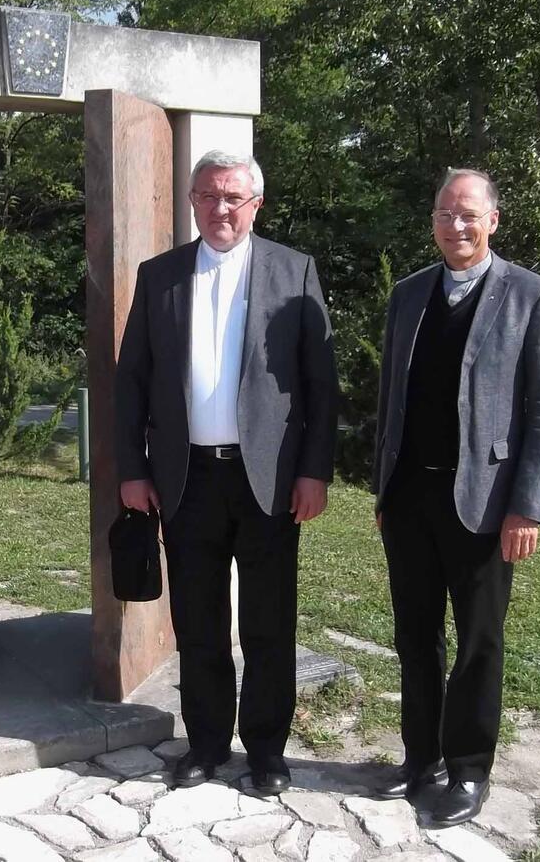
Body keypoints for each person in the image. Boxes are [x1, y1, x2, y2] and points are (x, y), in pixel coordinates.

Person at [115, 149, 338, 795]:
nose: (220, 209)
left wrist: (314, 471)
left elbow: (321, 388)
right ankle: (208, 744)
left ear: (255, 203)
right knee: (199, 621)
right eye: (209, 196)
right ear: (192, 201)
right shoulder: (159, 277)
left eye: (233, 197)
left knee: (269, 623)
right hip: (186, 480)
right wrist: (133, 467)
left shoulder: (294, 272)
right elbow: (131, 381)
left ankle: (267, 751)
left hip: (267, 482)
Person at [372, 168, 540, 824]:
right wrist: (382, 486)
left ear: (492, 220)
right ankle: (419, 757)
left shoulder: (530, 296)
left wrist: (529, 505)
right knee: (415, 636)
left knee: (478, 640)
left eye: (468, 214)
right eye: (444, 213)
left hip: (485, 503)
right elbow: (390, 400)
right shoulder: (409, 296)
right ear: (432, 220)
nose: (455, 225)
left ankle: (467, 770)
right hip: (409, 499)